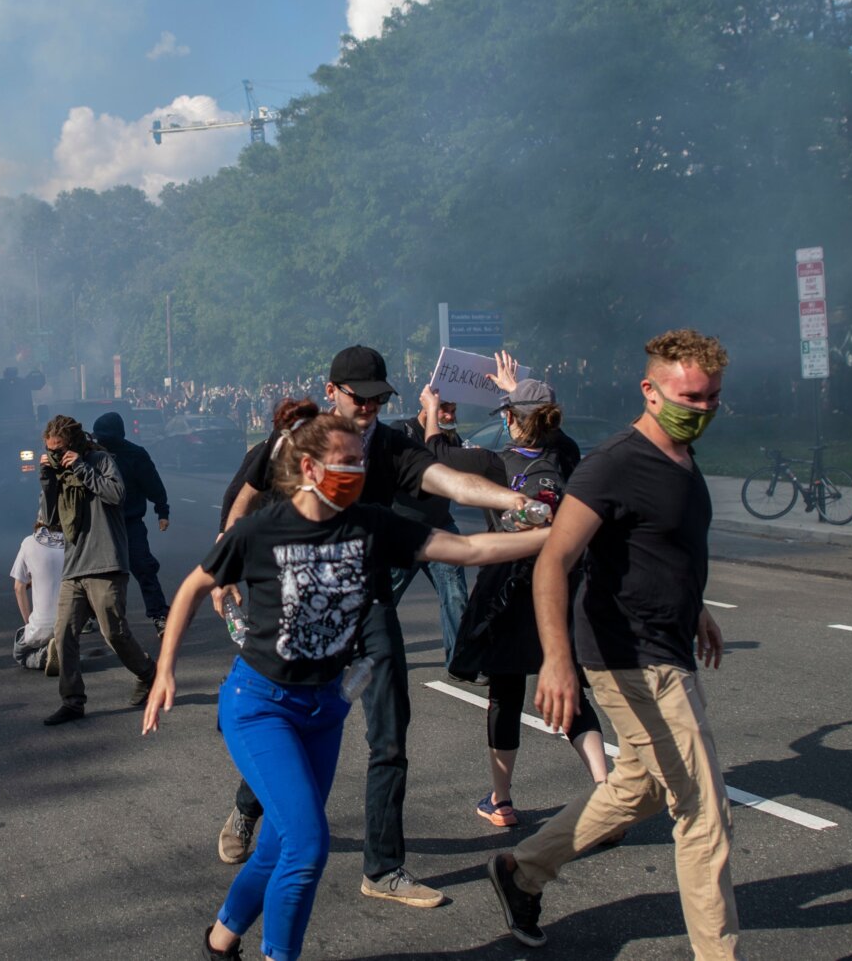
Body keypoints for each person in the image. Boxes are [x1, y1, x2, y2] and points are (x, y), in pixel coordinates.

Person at [144, 401, 552, 961]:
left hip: (324, 709)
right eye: (345, 462)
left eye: (361, 462)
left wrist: (554, 537)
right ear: (309, 468)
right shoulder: (264, 529)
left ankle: (221, 940)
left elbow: (468, 548)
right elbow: (193, 586)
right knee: (308, 847)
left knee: (281, 845)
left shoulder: (371, 525)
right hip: (260, 706)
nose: (357, 471)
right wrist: (165, 670)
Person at [216, 346, 540, 904]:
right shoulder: (296, 441)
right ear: (333, 390)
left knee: (390, 733)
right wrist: (227, 567)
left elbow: (453, 483)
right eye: (358, 395)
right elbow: (243, 497)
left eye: (377, 397)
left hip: (368, 607)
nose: (368, 406)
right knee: (294, 718)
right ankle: (250, 806)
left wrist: (518, 502)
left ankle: (383, 869)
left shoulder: (390, 446)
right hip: (303, 608)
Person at [486, 330, 737, 957]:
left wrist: (698, 607)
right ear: (650, 391)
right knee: (703, 814)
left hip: (668, 647)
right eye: (688, 397)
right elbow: (554, 560)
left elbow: (657, 548)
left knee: (640, 787)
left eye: (711, 399)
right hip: (630, 659)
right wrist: (556, 662)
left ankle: (523, 868)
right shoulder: (616, 462)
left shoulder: (681, 456)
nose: (700, 409)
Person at [447, 377, 608, 829]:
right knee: (570, 687)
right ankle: (603, 787)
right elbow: (550, 431)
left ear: (510, 419)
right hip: (563, 586)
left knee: (506, 693)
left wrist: (435, 408)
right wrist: (524, 393)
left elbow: (435, 454)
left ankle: (501, 801)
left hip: (507, 590)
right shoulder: (566, 456)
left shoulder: (494, 464)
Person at [38, 415, 156, 726]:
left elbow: (116, 495)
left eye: (58, 450)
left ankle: (148, 673)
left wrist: (81, 467)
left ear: (74, 445)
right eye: (50, 450)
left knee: (113, 633)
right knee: (63, 635)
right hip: (74, 566)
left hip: (106, 562)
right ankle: (73, 701)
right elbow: (49, 519)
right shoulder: (59, 474)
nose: (55, 455)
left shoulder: (101, 460)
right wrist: (48, 477)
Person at [390, 385, 488, 671]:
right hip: (403, 532)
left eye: (453, 410)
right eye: (444, 409)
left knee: (455, 596)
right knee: (382, 599)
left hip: (440, 528)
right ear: (427, 406)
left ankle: (461, 661)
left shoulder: (451, 438)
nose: (449, 415)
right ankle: (363, 652)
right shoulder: (402, 432)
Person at [90, 412, 171, 634]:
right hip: (101, 524)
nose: (103, 441)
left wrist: (162, 511)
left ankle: (159, 615)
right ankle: (87, 614)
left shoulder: (135, 454)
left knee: (144, 568)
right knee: (95, 572)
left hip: (130, 522)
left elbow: (152, 484)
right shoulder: (91, 454)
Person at [9, 522, 63, 670]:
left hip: (41, 626)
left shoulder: (29, 543)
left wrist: (28, 623)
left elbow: (18, 587)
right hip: (69, 625)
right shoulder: (75, 542)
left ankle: (44, 655)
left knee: (20, 653)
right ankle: (64, 653)